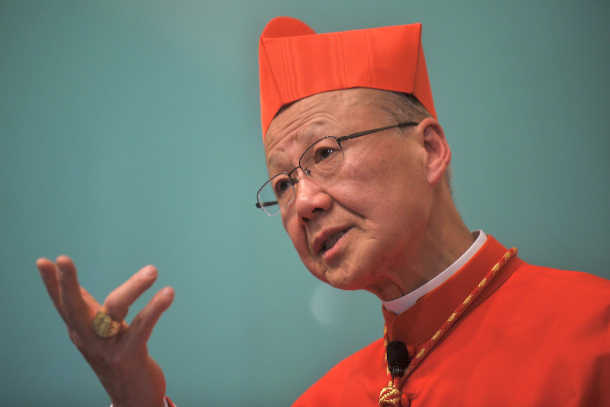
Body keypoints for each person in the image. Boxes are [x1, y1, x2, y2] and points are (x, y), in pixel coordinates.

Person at [36, 16, 609, 407]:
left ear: (429, 150)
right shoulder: (324, 398)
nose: (303, 202)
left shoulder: (593, 332)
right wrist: (134, 395)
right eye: (282, 184)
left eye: (326, 153)